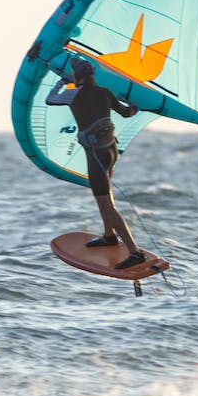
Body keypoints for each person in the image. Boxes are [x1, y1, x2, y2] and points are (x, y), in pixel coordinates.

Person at [63, 58, 146, 270]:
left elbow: (49, 99)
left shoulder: (74, 96)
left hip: (96, 157)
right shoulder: (105, 92)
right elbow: (127, 113)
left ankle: (135, 252)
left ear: (77, 77)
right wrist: (135, 106)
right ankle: (109, 236)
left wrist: (61, 84)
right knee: (106, 198)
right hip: (110, 152)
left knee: (106, 205)